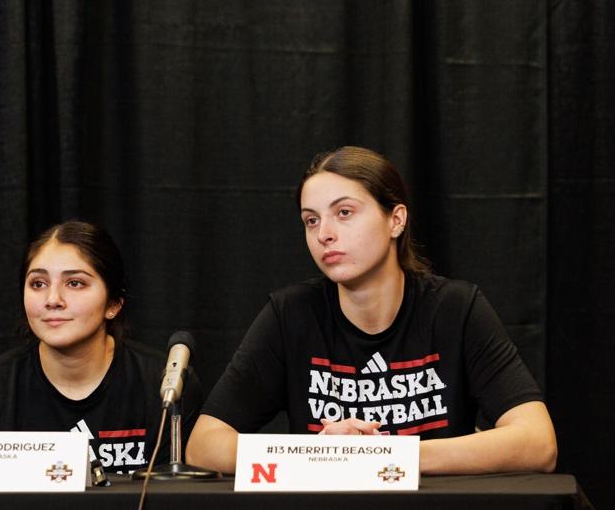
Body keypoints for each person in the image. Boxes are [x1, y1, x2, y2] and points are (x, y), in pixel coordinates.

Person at [186, 146, 557, 475]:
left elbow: (538, 443)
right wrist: (316, 455)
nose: (324, 234)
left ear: (396, 219)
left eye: (344, 212)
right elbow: (204, 447)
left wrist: (388, 457)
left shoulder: (455, 309)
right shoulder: (291, 315)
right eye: (311, 220)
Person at [0, 220, 204, 473]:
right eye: (38, 284)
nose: (53, 300)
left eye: (75, 283)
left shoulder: (167, 386)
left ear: (114, 303)